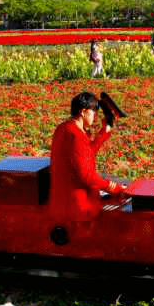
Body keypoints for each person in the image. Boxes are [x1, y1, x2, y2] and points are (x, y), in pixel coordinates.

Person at [48, 92, 126, 230]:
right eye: (93, 112)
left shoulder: (64, 128)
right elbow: (87, 177)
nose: (95, 117)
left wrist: (105, 131)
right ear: (83, 112)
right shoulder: (76, 135)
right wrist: (114, 187)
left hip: (62, 200)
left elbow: (86, 153)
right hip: (77, 206)